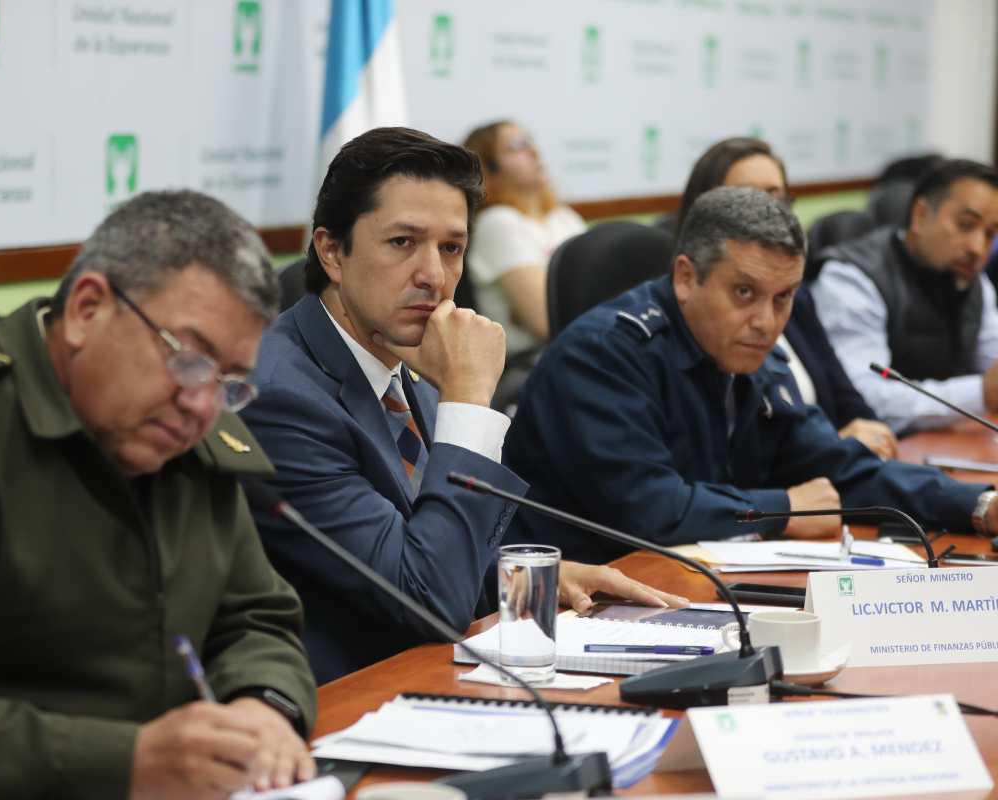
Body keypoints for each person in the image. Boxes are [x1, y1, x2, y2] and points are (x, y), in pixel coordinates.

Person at [0, 192, 317, 800]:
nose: (202, 406)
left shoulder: (190, 441)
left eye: (229, 383)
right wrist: (125, 761)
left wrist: (262, 706)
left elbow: (256, 619)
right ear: (87, 309)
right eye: (189, 360)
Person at [239, 127, 686, 684]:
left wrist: (530, 580)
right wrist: (469, 398)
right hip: (348, 695)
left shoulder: (405, 361)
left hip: (424, 672)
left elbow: (428, 541)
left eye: (451, 248)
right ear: (331, 251)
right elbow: (427, 597)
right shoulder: (280, 400)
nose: (434, 276)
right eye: (402, 243)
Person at [503, 187, 998, 562]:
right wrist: (782, 508)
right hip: (572, 603)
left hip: (689, 582)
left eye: (783, 298)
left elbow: (841, 469)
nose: (766, 322)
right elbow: (649, 510)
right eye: (744, 293)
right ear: (686, 278)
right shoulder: (604, 355)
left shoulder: (752, 355)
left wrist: (978, 505)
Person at [675, 136, 896, 459]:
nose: (766, 212)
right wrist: (834, 445)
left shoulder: (796, 294)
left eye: (776, 198)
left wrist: (870, 431)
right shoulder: (696, 312)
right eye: (747, 198)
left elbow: (843, 393)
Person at [813, 159, 998, 434]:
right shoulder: (851, 279)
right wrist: (980, 393)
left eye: (990, 234)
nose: (977, 248)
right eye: (965, 225)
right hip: (871, 449)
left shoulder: (974, 283)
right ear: (921, 214)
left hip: (944, 442)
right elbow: (864, 398)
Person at [462, 120, 585, 353]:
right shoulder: (498, 222)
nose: (534, 151)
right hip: (536, 361)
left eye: (530, 141)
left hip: (583, 344)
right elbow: (546, 322)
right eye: (517, 146)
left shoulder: (563, 217)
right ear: (490, 169)